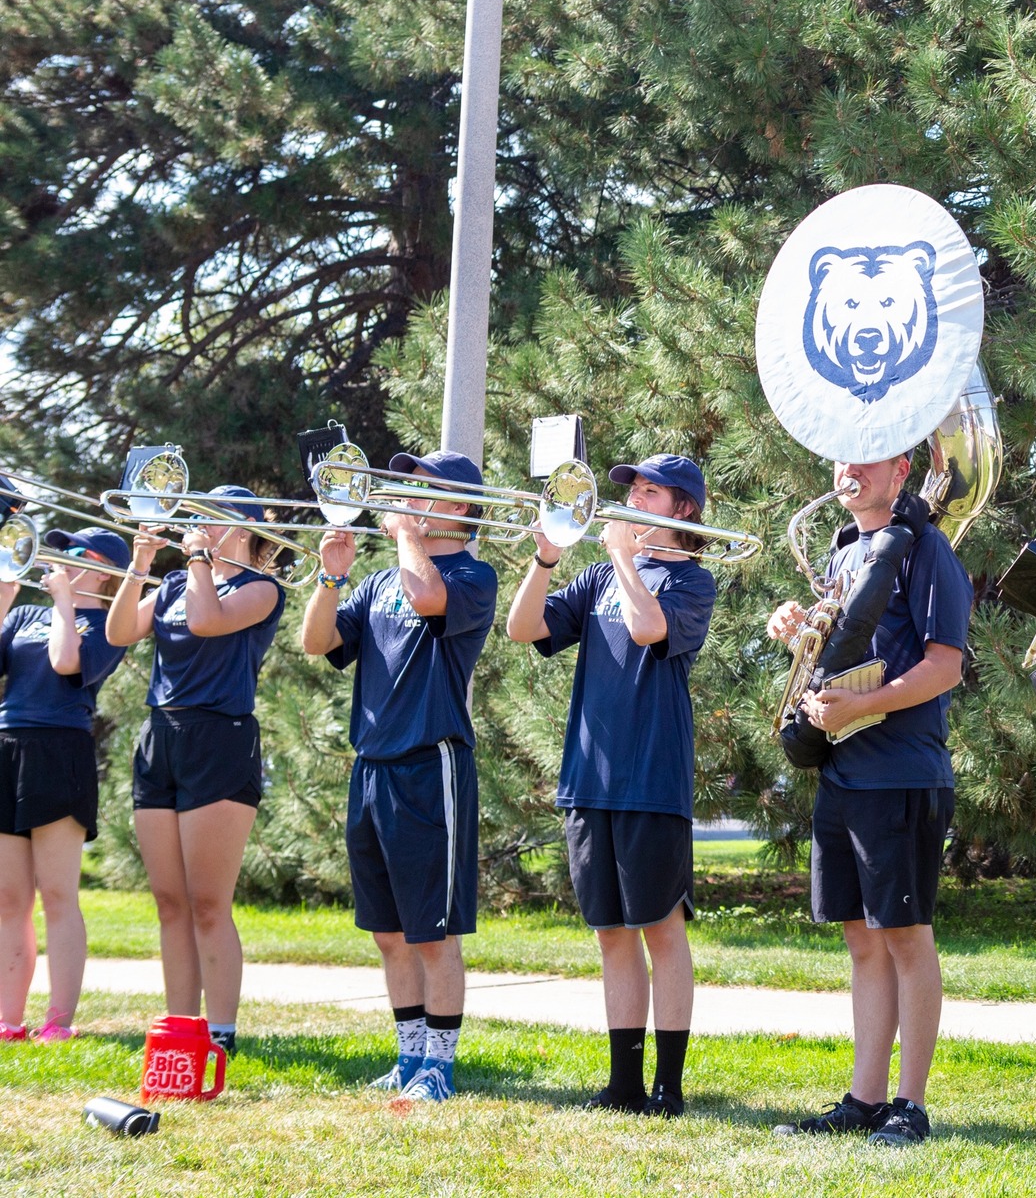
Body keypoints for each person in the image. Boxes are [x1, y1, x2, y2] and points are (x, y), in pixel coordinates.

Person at [766, 452, 970, 1147]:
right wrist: (799, 630)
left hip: (902, 771)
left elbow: (946, 663)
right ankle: (865, 1097)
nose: (847, 468)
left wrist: (865, 705)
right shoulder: (844, 551)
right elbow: (842, 649)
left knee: (905, 938)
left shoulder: (927, 547)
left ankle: (910, 1104)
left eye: (866, 457)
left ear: (901, 469)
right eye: (840, 456)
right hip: (844, 772)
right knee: (861, 940)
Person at [506, 455, 717, 1117]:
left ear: (682, 508)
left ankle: (669, 1085)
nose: (630, 498)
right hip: (588, 777)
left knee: (660, 927)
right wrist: (543, 560)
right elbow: (522, 628)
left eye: (647, 490)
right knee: (611, 933)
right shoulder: (597, 575)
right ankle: (624, 1082)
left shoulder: (694, 581)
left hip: (651, 779)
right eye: (630, 489)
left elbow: (648, 628)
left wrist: (627, 557)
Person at [299, 451, 498, 1105]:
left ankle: (440, 1064)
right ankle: (408, 1052)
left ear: (461, 507)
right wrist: (330, 579)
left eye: (426, 489)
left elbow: (429, 596)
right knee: (387, 931)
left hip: (428, 764)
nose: (410, 496)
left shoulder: (473, 573)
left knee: (433, 933)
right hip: (372, 766)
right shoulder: (381, 580)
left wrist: (407, 534)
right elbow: (317, 642)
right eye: (409, 486)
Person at [105, 488, 285, 1056]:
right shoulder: (178, 583)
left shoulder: (261, 588)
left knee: (209, 902)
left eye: (215, 519)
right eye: (200, 517)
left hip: (219, 737)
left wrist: (199, 558)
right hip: (161, 734)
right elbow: (117, 634)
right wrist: (139, 565)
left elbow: (207, 623)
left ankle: (223, 1032)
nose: (200, 525)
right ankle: (179, 1028)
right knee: (169, 900)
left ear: (248, 529)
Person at [0, 529, 128, 1043]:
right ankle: (9, 1018)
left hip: (60, 750)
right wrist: (6, 597)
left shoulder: (108, 625)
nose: (65, 559)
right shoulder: (28, 614)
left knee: (57, 893)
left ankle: (59, 1020)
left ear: (104, 573)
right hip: (9, 743)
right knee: (9, 899)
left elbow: (64, 661)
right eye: (64, 551)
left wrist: (64, 601)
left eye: (80, 554)